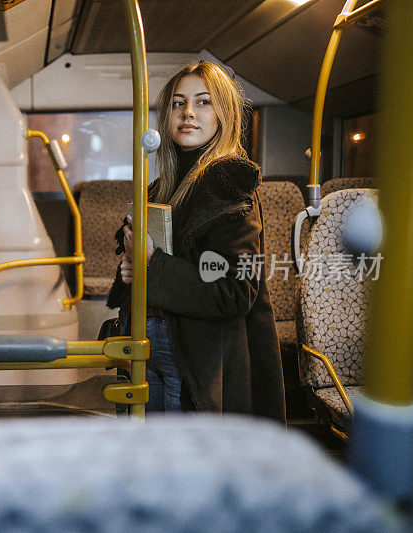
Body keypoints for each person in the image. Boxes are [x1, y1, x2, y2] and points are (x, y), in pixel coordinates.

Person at [106, 60, 286, 422]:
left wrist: (151, 265)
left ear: (224, 114)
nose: (188, 112)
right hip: (148, 346)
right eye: (178, 102)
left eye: (203, 102)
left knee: (179, 468)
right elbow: (157, 265)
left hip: (195, 360)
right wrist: (132, 270)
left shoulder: (228, 184)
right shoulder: (161, 188)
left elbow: (235, 292)